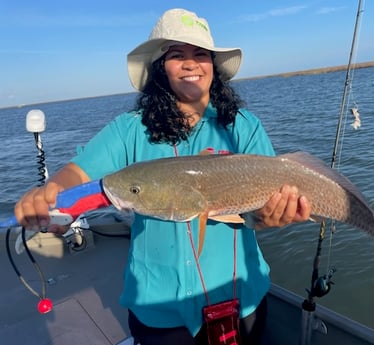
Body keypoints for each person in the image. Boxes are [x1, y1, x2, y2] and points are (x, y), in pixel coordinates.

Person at [14, 8, 311, 345]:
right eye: (177, 55)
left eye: (201, 54)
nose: (190, 63)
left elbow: (259, 211)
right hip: (159, 310)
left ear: (213, 66)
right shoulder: (129, 130)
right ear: (160, 68)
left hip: (242, 302)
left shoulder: (243, 127)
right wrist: (51, 191)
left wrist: (271, 216)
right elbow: (78, 171)